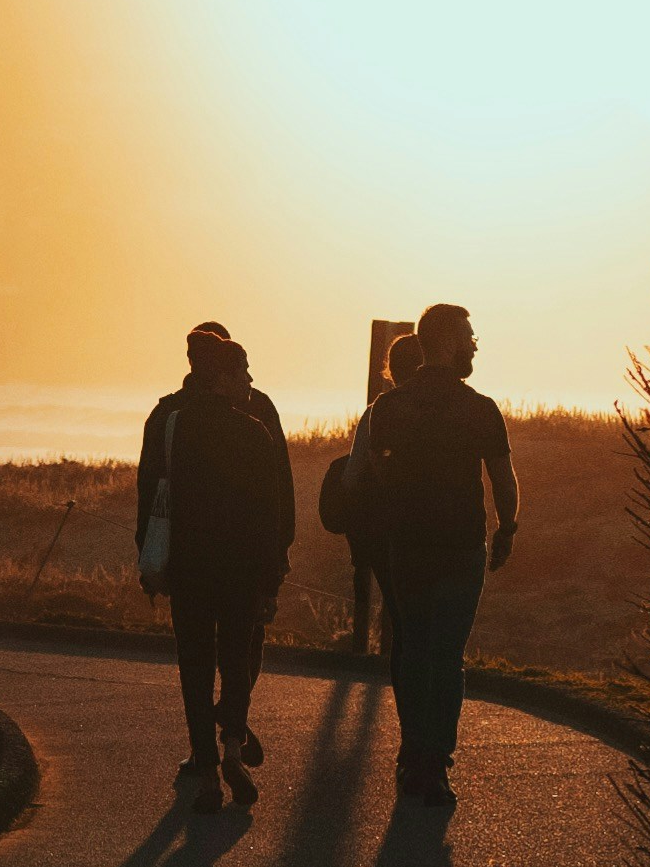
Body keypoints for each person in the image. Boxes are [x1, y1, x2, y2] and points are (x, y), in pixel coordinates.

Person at [322, 298, 513, 807]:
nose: (475, 344)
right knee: (446, 656)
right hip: (460, 547)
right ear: (448, 342)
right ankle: (435, 761)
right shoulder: (480, 408)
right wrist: (508, 528)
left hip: (406, 548)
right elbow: (501, 476)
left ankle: (413, 751)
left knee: (412, 648)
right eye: (469, 336)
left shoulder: (388, 409)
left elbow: (366, 477)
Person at [130, 319, 298, 813]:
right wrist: (275, 566)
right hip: (243, 568)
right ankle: (232, 741)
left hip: (188, 566)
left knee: (196, 666)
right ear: (223, 374)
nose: (249, 379)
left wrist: (149, 558)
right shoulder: (255, 422)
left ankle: (208, 763)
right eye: (241, 370)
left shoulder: (167, 418)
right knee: (240, 655)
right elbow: (275, 499)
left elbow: (150, 495)